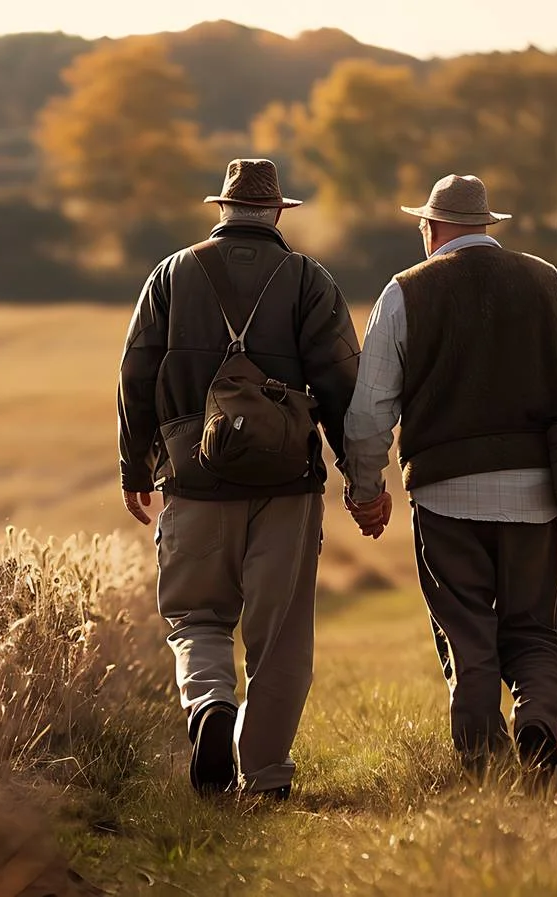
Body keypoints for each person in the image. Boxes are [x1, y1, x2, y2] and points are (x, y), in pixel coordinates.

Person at [342, 174, 557, 786]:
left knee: (466, 628)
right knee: (533, 626)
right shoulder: (550, 284)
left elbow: (370, 412)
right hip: (536, 494)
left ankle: (482, 765)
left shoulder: (403, 294)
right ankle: (537, 724)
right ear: (485, 227)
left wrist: (366, 489)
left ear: (431, 228)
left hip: (445, 495)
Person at [116, 159, 362, 799]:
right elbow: (341, 386)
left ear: (222, 209)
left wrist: (135, 465)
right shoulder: (310, 280)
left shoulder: (171, 274)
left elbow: (135, 374)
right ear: (280, 213)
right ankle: (266, 777)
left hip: (192, 478)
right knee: (279, 636)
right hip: (288, 484)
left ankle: (209, 707)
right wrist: (361, 477)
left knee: (197, 616)